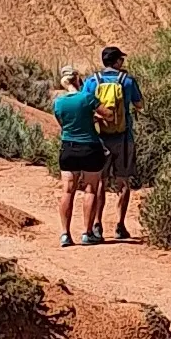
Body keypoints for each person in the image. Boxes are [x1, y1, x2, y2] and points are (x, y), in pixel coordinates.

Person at [47, 64, 108, 245]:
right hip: (90, 147)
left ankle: (65, 234)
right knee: (90, 189)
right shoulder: (87, 97)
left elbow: (62, 124)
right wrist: (95, 118)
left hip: (68, 147)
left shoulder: (59, 102)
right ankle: (87, 233)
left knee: (67, 190)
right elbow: (108, 114)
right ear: (78, 79)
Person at [89, 45, 143, 242]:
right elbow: (139, 105)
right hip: (124, 137)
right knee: (123, 182)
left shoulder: (92, 81)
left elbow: (86, 106)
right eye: (121, 59)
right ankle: (120, 226)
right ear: (117, 61)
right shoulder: (127, 81)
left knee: (100, 182)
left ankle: (97, 225)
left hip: (100, 138)